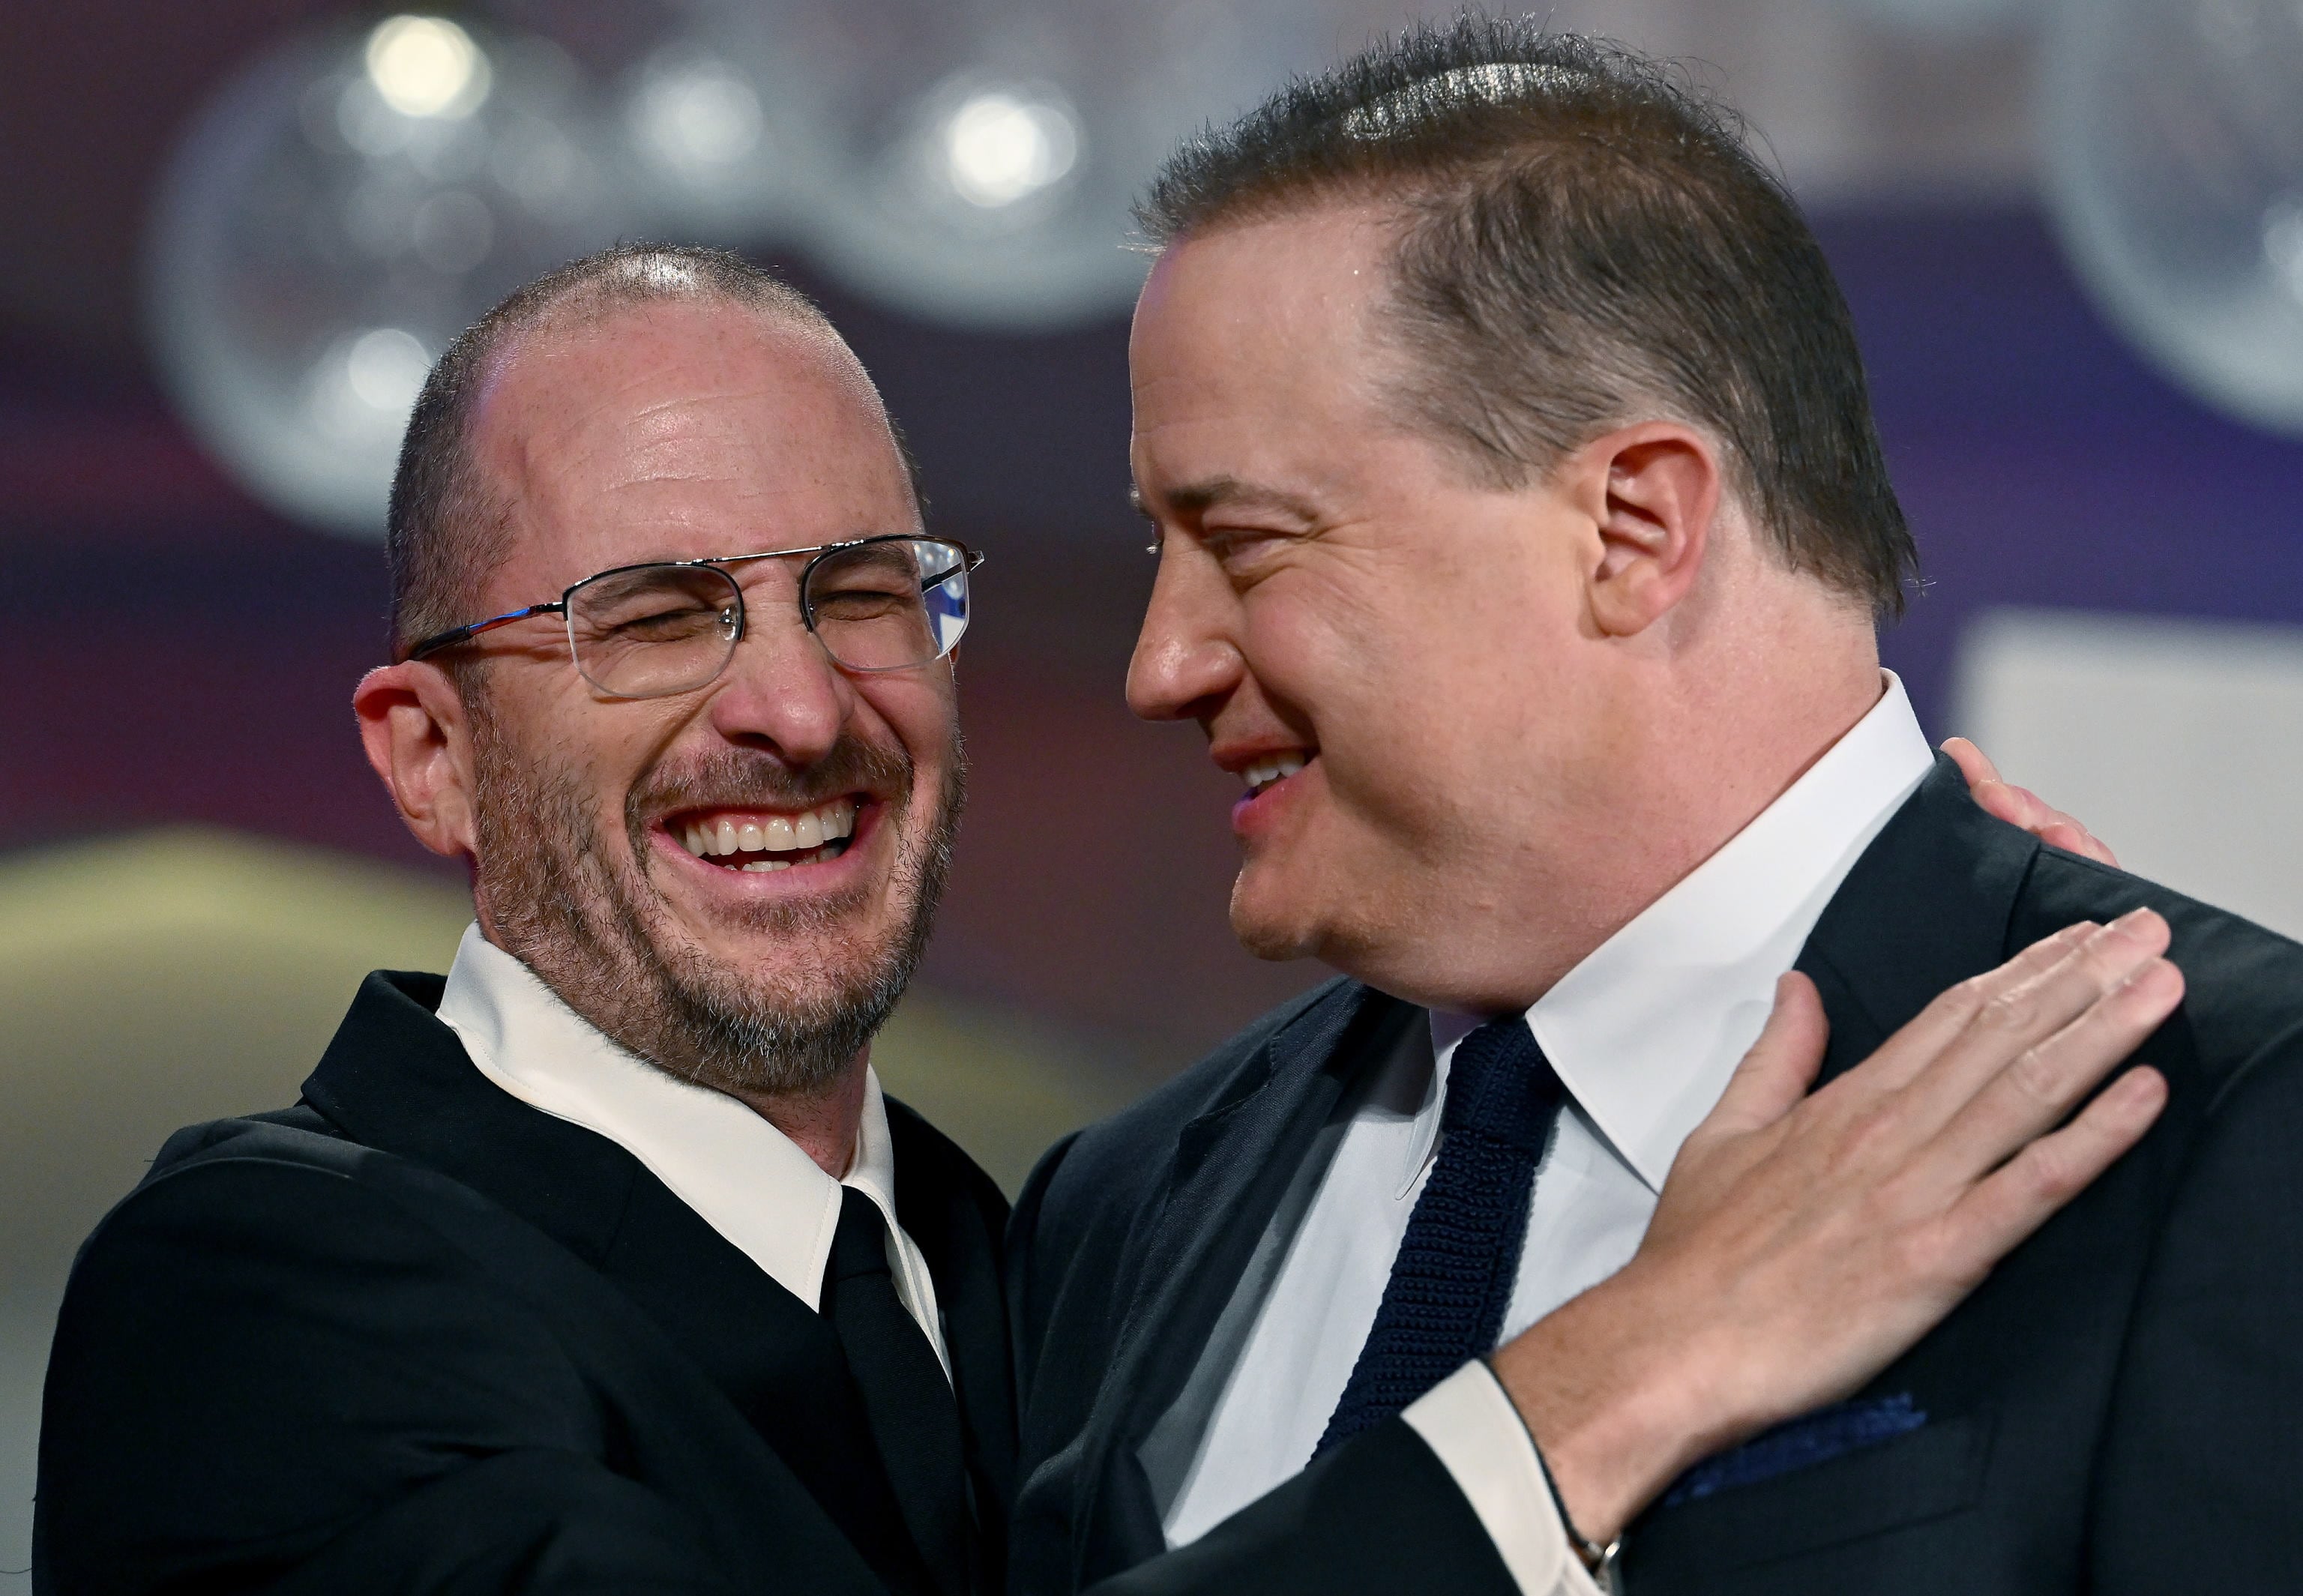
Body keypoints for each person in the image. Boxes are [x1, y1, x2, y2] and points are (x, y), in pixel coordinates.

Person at [34, 239, 2155, 1596]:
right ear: (422, 753)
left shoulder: (1047, 1261)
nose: (793, 703)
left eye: (862, 588)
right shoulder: (258, 1297)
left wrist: (1832, 915)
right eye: (652, 617)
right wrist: (1636, 1368)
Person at [1006, 19, 2303, 1596]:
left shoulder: (2242, 1132)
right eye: (1159, 548)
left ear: (1635, 525)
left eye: (1251, 541)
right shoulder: (1121, 1204)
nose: (1161, 665)